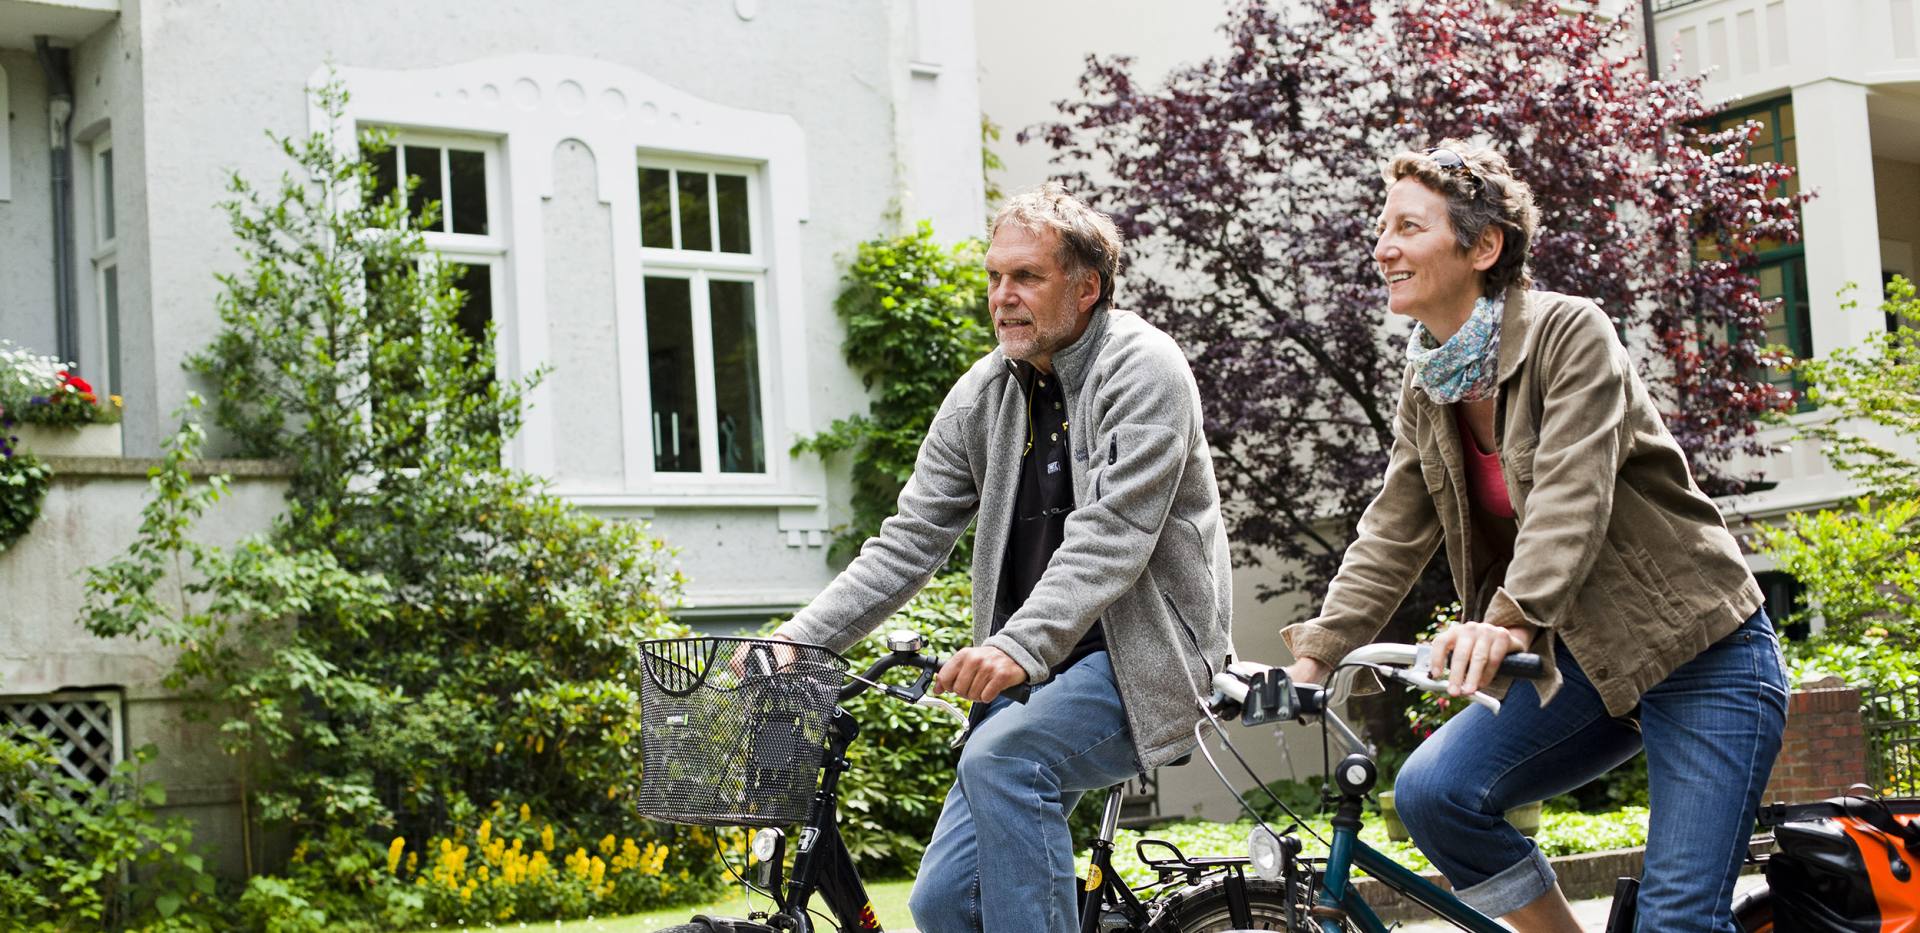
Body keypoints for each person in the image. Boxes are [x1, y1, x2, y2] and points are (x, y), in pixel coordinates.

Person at [1280, 141, 1788, 933]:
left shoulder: (1569, 334)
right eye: (1383, 227)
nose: (1383, 246)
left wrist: (1508, 618)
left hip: (1701, 651)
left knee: (1678, 920)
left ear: (1483, 247)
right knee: (1432, 793)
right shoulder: (1431, 381)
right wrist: (1313, 657)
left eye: (1408, 227)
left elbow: (1570, 497)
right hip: (1584, 660)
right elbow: (1391, 529)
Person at [771, 184, 1234, 933]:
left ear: (1087, 288)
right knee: (948, 903)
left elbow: (1112, 532)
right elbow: (907, 541)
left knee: (1005, 760)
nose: (1003, 296)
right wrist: (799, 638)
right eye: (994, 277)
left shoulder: (1143, 369)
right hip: (1032, 674)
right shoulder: (981, 396)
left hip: (1145, 660)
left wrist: (1015, 645)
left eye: (1026, 277)